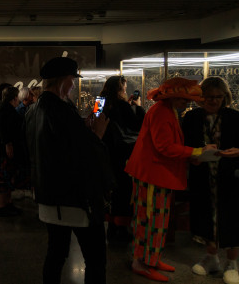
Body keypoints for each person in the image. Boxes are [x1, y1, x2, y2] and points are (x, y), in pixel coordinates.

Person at [25, 57, 111, 284]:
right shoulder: (60, 110)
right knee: (95, 258)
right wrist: (97, 134)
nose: (73, 85)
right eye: (72, 80)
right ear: (63, 81)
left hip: (48, 196)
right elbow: (81, 154)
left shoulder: (34, 110)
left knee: (56, 253)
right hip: (73, 200)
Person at [125, 77, 217, 282]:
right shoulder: (161, 113)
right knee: (151, 221)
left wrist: (193, 154)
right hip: (152, 176)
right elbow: (164, 147)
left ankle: (151, 259)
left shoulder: (166, 111)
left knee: (157, 221)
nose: (188, 103)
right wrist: (197, 151)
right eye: (184, 100)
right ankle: (143, 262)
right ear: (173, 97)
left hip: (155, 176)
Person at [182, 77, 239, 284]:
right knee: (206, 216)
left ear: (225, 97)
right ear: (200, 97)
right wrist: (192, 157)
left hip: (229, 177)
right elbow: (184, 145)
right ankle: (212, 257)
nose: (213, 101)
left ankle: (232, 262)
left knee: (231, 217)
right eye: (209, 97)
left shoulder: (234, 117)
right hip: (202, 176)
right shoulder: (191, 117)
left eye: (218, 97)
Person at [99, 75, 145, 244]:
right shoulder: (123, 105)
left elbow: (95, 121)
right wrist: (138, 107)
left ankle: (110, 228)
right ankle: (122, 229)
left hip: (104, 152)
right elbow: (137, 125)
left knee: (109, 190)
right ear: (121, 88)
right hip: (122, 154)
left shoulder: (100, 101)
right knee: (123, 191)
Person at [0, 86, 24, 217]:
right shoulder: (6, 110)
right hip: (3, 151)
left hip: (2, 149)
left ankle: (7, 203)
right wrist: (8, 144)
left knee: (7, 176)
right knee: (3, 177)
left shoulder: (4, 108)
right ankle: (3, 206)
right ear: (15, 98)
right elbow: (4, 129)